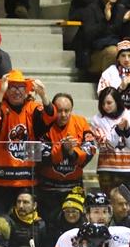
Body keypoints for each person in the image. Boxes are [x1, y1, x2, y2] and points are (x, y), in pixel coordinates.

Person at [0, 70, 55, 209]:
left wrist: (43, 95)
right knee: (1, 219)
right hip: (0, 179)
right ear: (6, 90)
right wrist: (0, 94)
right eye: (12, 87)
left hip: (27, 179)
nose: (17, 91)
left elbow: (50, 117)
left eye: (20, 87)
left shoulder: (33, 108)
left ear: (26, 90)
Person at [38, 93, 96, 223]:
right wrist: (62, 149)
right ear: (53, 109)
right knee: (49, 225)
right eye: (59, 111)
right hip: (48, 189)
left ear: (71, 110)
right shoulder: (43, 123)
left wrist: (72, 152)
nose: (63, 115)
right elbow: (40, 154)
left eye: (67, 111)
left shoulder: (81, 122)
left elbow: (91, 149)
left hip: (74, 187)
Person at [50, 192, 130, 247]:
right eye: (96, 212)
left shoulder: (126, 235)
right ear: (87, 215)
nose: (102, 216)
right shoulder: (68, 238)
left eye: (105, 212)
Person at [74, 0, 130, 75]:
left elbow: (125, 37)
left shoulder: (120, 9)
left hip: (115, 45)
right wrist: (105, 20)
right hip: (93, 53)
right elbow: (88, 36)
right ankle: (107, 83)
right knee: (114, 52)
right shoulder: (90, 10)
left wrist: (125, 22)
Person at [91, 87, 130, 195]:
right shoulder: (97, 120)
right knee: (108, 201)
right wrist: (118, 130)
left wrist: (127, 130)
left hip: (128, 168)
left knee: (127, 202)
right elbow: (105, 146)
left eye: (109, 103)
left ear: (117, 101)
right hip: (106, 169)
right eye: (103, 103)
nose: (105, 106)